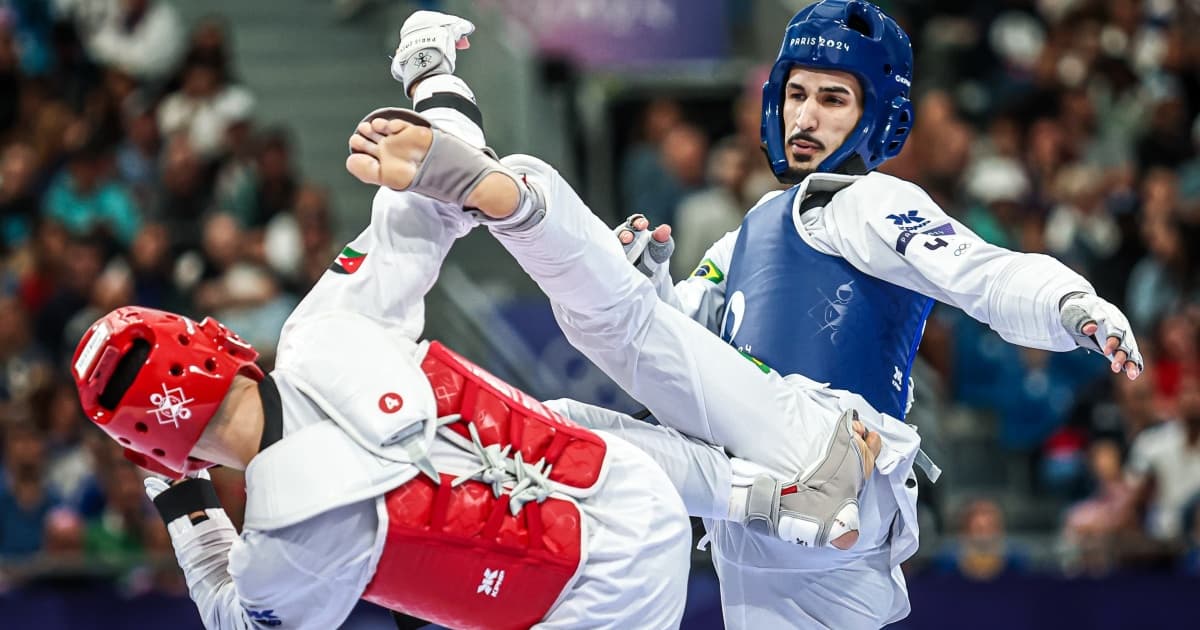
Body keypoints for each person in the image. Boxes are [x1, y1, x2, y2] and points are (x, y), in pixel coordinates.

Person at [345, 3, 1145, 627]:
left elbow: (981, 272)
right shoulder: (743, 236)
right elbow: (687, 362)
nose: (805, 117)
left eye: (832, 99)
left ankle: (469, 143)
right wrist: (658, 284)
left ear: (876, 116)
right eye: (796, 94)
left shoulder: (865, 199)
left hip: (837, 455)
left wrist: (1074, 304)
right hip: (769, 517)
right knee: (566, 437)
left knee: (616, 324)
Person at [69, 14, 697, 629]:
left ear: (154, 448)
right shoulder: (324, 330)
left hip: (600, 601)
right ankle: (748, 488)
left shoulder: (282, 543)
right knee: (545, 395)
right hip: (635, 488)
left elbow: (229, 615)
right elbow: (435, 187)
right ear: (222, 342)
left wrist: (177, 496)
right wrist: (431, 73)